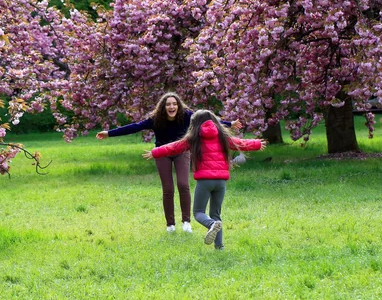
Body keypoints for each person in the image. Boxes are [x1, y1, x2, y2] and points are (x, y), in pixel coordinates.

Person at [96, 93, 241, 233]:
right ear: (163, 107)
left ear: (178, 106)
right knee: (168, 189)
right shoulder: (155, 119)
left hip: (181, 152)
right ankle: (170, 224)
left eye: (174, 104)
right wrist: (109, 133)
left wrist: (230, 124)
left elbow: (208, 120)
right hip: (162, 153)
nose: (171, 107)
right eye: (168, 104)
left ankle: (186, 222)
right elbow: (134, 127)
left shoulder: (187, 116)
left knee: (183, 185)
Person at [142, 109, 266, 249]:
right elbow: (240, 143)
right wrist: (257, 143)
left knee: (198, 212)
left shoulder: (193, 138)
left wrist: (155, 152)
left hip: (204, 181)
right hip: (221, 182)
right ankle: (219, 247)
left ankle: (211, 225)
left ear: (194, 124)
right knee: (216, 214)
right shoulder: (222, 137)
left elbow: (174, 147)